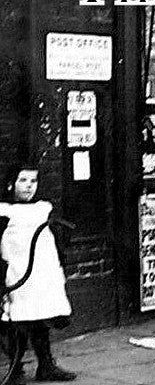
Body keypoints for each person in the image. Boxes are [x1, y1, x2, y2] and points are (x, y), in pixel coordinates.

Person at [0, 164, 76, 382]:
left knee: (41, 317)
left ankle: (46, 364)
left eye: (33, 182)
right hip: (16, 273)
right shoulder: (5, 211)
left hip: (42, 273)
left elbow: (55, 240)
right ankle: (15, 368)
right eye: (23, 181)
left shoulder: (43, 208)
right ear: (11, 183)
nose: (28, 187)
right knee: (18, 319)